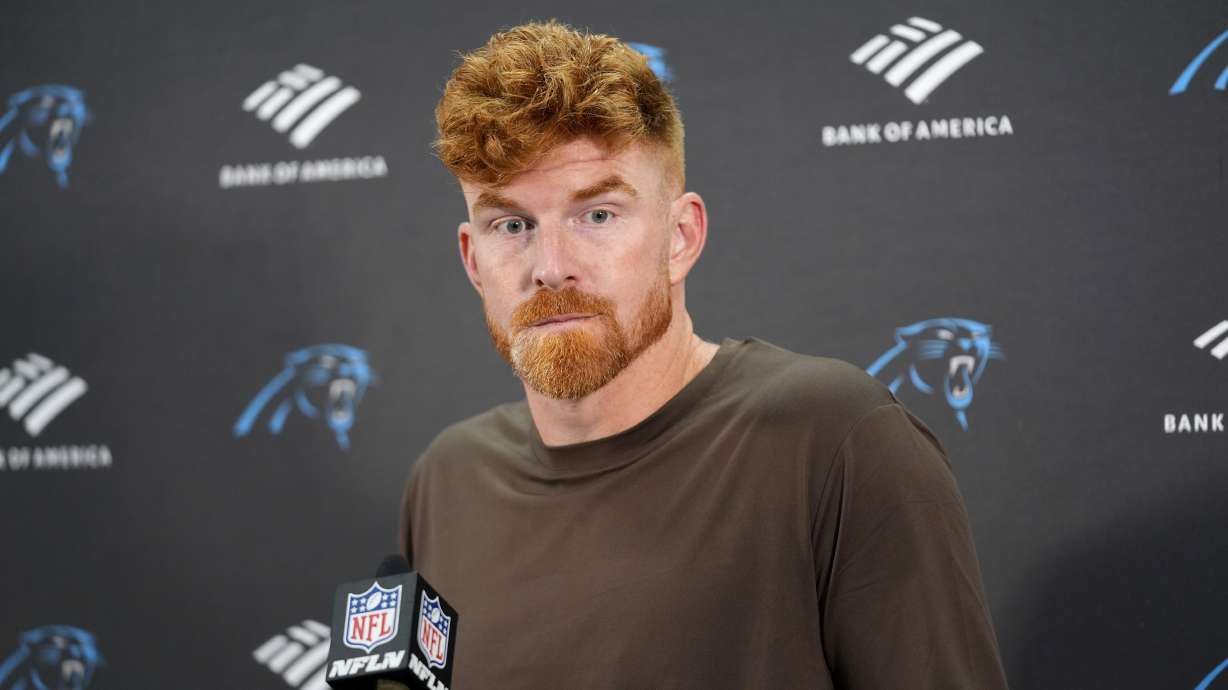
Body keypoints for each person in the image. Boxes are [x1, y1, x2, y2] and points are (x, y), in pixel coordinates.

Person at [400, 19, 1010, 689]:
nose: (550, 266)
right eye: (512, 224)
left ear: (681, 237)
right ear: (473, 260)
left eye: (597, 215)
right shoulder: (446, 481)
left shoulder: (834, 440)